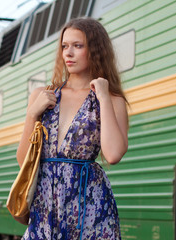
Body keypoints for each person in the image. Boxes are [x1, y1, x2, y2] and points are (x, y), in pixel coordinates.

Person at [16, 17, 128, 240]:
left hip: (90, 207)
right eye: (64, 46)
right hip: (46, 207)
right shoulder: (43, 95)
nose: (68, 53)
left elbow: (113, 154)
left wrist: (104, 98)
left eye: (78, 46)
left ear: (95, 50)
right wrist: (32, 114)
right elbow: (23, 161)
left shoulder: (111, 99)